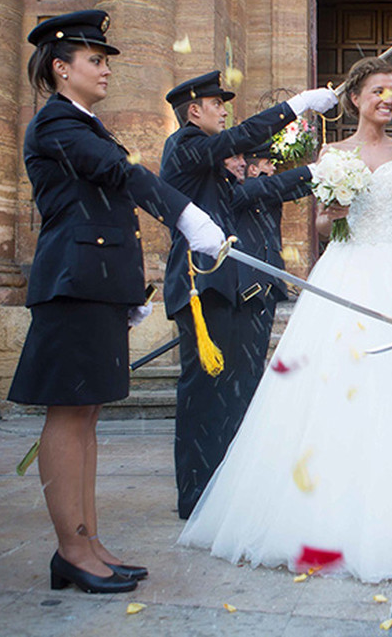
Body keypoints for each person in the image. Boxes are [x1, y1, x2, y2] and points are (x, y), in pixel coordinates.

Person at [180, 57, 392, 582]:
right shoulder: (331, 154)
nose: (388, 99)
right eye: (379, 90)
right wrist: (329, 215)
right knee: (333, 380)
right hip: (346, 268)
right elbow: (318, 225)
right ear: (355, 98)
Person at [8, 10, 226, 594]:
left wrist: (128, 289)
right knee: (69, 413)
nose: (105, 70)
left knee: (88, 415)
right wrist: (186, 215)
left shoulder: (83, 123)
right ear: (61, 68)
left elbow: (106, 210)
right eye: (95, 60)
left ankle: (89, 542)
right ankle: (72, 550)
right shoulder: (57, 122)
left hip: (94, 285)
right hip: (72, 285)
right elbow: (117, 175)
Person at [161, 71, 337, 520]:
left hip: (234, 289)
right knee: (204, 394)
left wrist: (312, 175)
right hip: (206, 288)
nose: (224, 110)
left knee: (239, 393)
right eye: (217, 103)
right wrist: (296, 106)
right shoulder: (186, 147)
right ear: (194, 110)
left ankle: (226, 487)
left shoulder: (210, 162)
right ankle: (196, 495)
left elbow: (251, 193)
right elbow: (242, 142)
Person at [230, 142, 314, 388]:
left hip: (267, 281)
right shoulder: (244, 188)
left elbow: (296, 190)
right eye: (268, 164)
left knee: (258, 349)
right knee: (244, 352)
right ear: (254, 169)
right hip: (247, 282)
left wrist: (333, 175)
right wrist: (311, 169)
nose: (273, 169)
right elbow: (269, 186)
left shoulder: (267, 189)